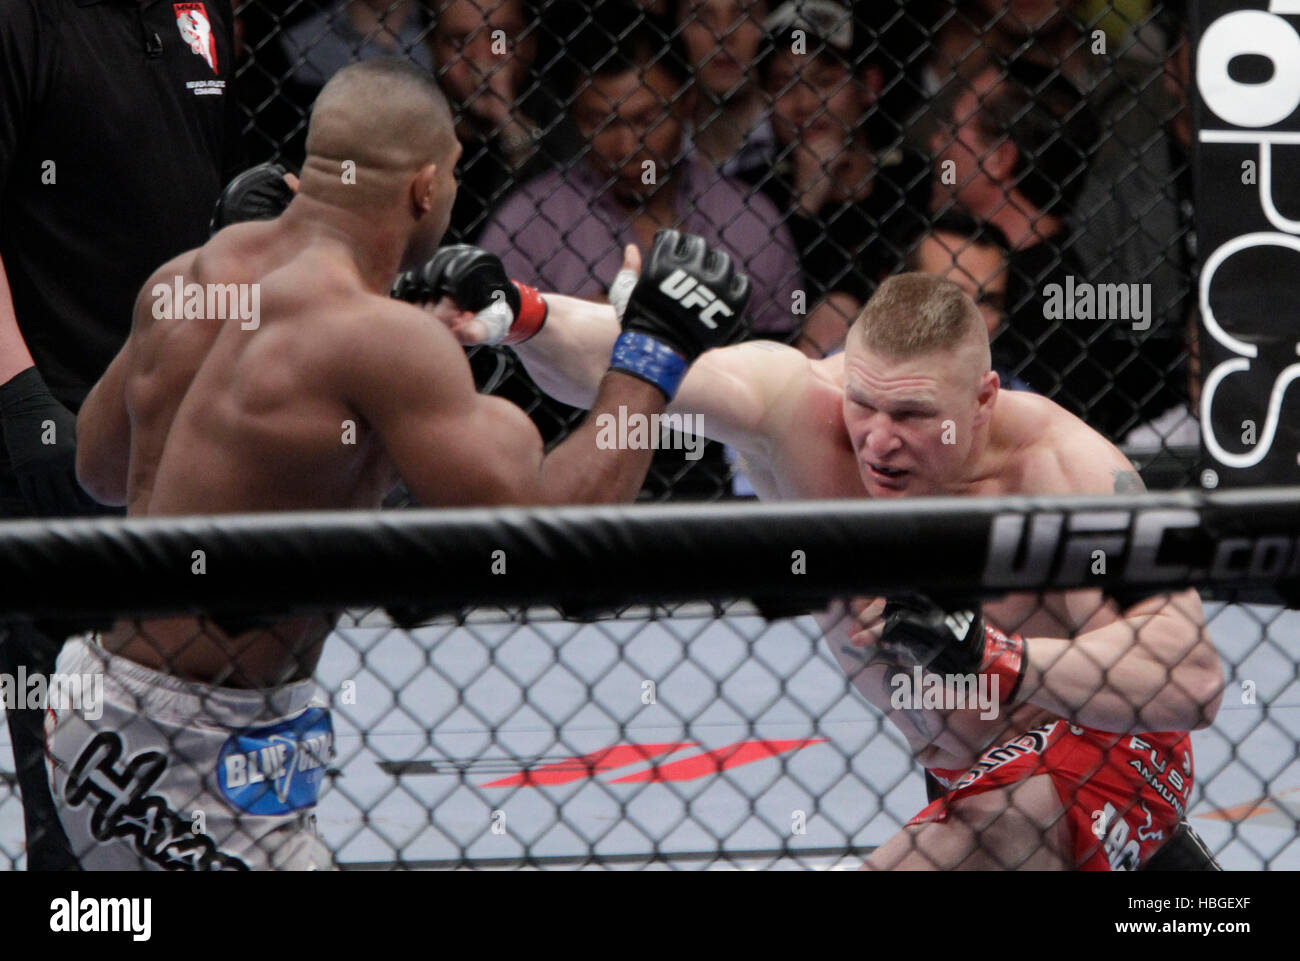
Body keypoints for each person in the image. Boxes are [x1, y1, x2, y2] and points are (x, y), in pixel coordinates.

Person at [55, 59, 749, 871]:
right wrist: (650, 357)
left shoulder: (190, 278)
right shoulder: (380, 341)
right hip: (191, 750)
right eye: (453, 175)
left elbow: (100, 469)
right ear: (425, 187)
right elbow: (548, 543)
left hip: (96, 703)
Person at [438, 265, 1224, 870]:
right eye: (865, 404)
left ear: (983, 399)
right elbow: (628, 365)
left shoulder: (1066, 470)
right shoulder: (799, 409)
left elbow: (1190, 680)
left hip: (1105, 747)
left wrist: (996, 656)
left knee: (975, 840)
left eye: (913, 414)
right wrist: (520, 311)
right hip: (967, 772)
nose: (878, 439)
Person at [0, 0, 242, 869]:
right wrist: (21, 398)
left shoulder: (196, 8)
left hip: (181, 429)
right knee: (69, 780)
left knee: (187, 762)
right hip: (57, 425)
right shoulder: (20, 18)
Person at [750, 0, 931, 359]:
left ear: (869, 85)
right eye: (785, 85)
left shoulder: (918, 181)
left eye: (823, 81)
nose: (803, 103)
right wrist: (803, 205)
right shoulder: (751, 194)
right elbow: (764, 314)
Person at [905, 211, 1031, 392]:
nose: (971, 318)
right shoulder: (851, 377)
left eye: (987, 302)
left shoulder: (1020, 407)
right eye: (950, 296)